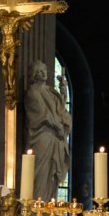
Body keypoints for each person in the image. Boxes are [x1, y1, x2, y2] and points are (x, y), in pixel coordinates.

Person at [25, 59, 72, 201]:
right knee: (41, 171)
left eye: (44, 70)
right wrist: (57, 126)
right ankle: (37, 206)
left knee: (52, 174)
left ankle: (49, 205)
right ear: (34, 74)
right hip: (42, 137)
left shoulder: (51, 91)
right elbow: (41, 114)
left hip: (55, 138)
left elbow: (60, 110)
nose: (43, 73)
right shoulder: (33, 91)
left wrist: (63, 94)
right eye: (39, 71)